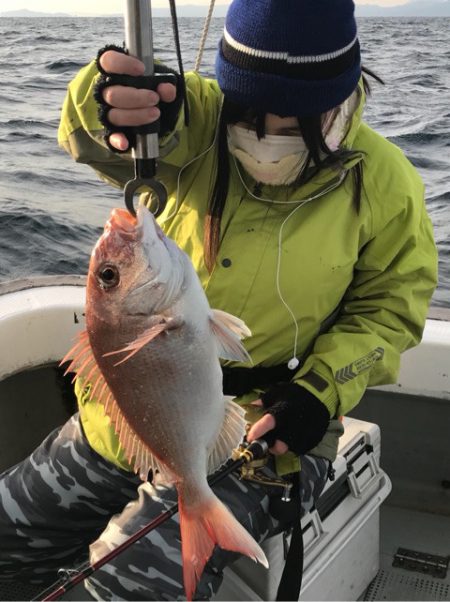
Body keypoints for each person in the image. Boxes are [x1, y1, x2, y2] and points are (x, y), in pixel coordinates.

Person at [0, 0, 438, 600]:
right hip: (129, 421)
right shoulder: (195, 120)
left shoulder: (386, 183)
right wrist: (110, 96)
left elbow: (389, 311)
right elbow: (91, 135)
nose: (269, 133)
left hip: (265, 433)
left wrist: (320, 392)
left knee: (128, 585)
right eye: (252, 114)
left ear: (342, 97)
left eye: (299, 120)